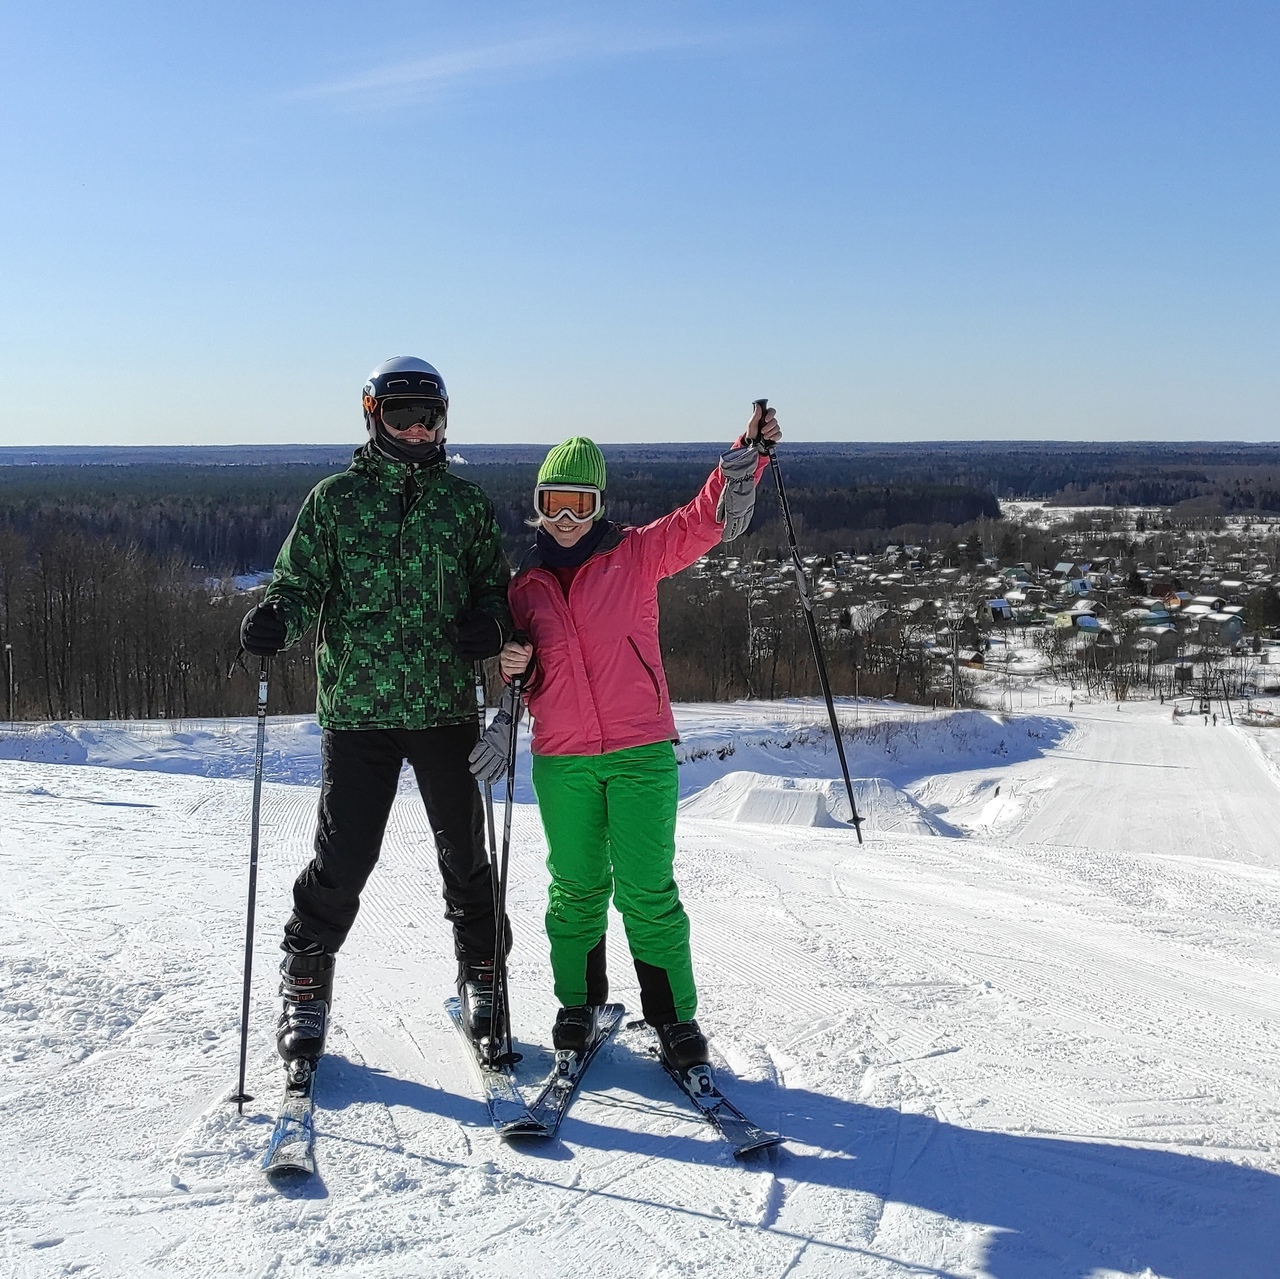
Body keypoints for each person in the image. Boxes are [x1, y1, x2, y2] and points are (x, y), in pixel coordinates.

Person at [239, 356, 514, 1084]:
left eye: (431, 416)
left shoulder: (464, 505)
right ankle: (304, 981)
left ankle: (483, 976)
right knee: (345, 857)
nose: (419, 429)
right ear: (372, 415)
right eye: (402, 414)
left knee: (464, 854)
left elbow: (498, 586)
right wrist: (276, 617)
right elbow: (299, 581)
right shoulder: (336, 501)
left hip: (444, 707)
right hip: (359, 712)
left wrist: (490, 622)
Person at [492, 405, 780, 1077]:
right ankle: (578, 1003)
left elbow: (698, 521)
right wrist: (511, 665)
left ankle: (672, 1015)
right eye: (552, 504)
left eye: (579, 503)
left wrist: (747, 457)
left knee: (647, 890)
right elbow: (519, 663)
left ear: (599, 505)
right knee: (575, 887)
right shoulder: (523, 589)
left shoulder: (635, 553)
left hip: (640, 750)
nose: (565, 518)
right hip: (562, 758)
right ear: (537, 506)